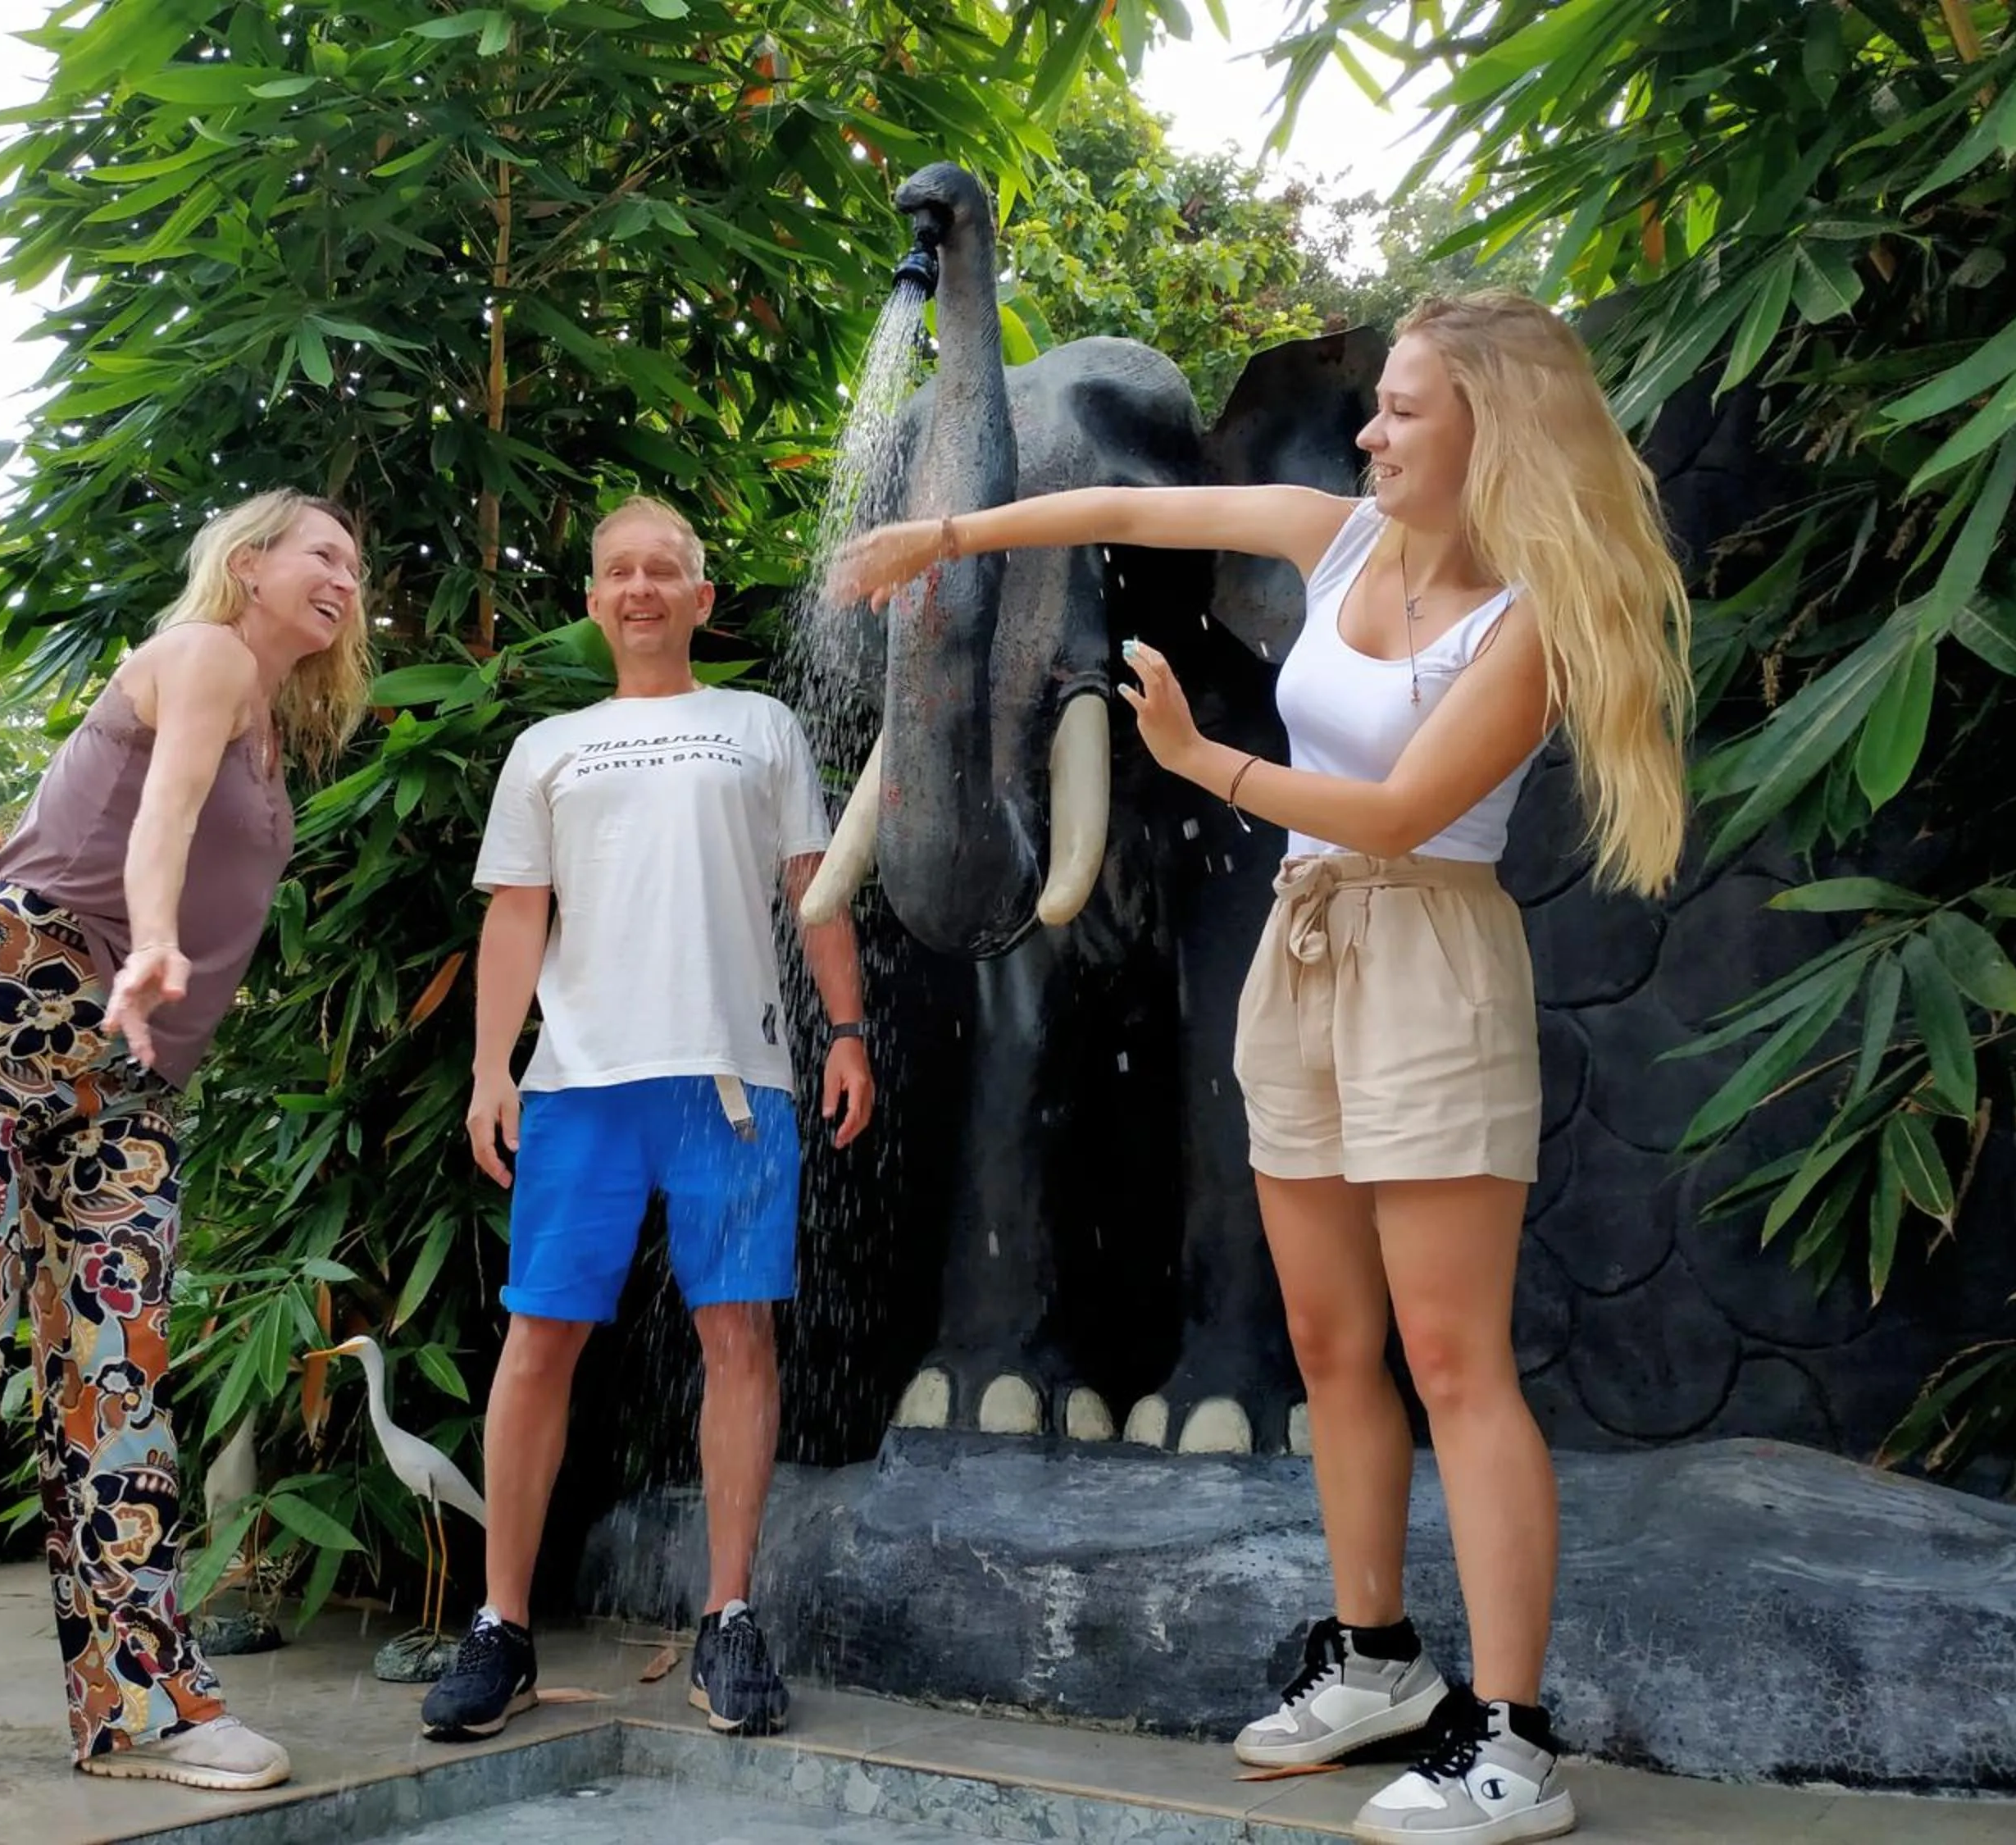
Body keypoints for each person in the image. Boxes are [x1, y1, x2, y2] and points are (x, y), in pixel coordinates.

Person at [833, 290, 1691, 1845]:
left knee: (1453, 1359)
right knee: (1325, 1333)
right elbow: (1123, 499)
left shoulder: (1529, 624)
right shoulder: (1330, 532)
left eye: (1407, 409)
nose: (1374, 431)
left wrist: (1196, 762)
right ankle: (1376, 1659)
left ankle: (1512, 1739)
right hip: (1300, 958)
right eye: (1375, 408)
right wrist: (942, 544)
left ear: (1490, 427)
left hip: (1426, 953)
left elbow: (1400, 809)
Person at [0, 489, 373, 1796]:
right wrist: (158, 931)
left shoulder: (275, 731)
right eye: (321, 552)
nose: (347, 577)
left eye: (357, 562)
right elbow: (163, 810)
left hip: (124, 1076)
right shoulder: (208, 652)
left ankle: (141, 1707)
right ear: (250, 561)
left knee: (117, 1371)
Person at [421, 494, 875, 1745]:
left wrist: (848, 1028)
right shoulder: (549, 745)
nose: (639, 588)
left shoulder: (761, 724)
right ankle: (501, 1626)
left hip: (737, 1076)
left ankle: (730, 1616)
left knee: (740, 1339)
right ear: (591, 599)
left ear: (700, 598)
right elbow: (516, 914)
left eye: (663, 570)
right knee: (538, 1342)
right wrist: (489, 1069)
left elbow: (814, 885)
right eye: (617, 570)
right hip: (580, 1082)